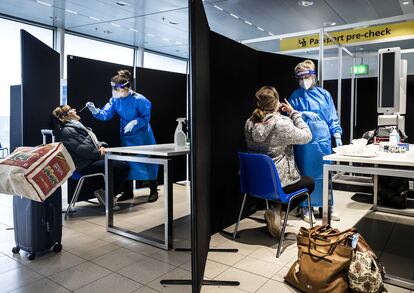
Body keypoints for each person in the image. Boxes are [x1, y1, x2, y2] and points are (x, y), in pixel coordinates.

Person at [245, 86, 314, 238]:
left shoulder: (249, 123)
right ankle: (278, 213)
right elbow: (307, 136)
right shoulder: (281, 123)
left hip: (255, 183)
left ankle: (275, 212)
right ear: (276, 102)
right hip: (277, 184)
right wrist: (293, 113)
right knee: (309, 183)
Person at [85, 69, 158, 203]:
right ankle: (128, 192)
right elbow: (106, 114)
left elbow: (145, 117)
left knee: (147, 162)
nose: (115, 93)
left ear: (125, 88)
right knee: (129, 162)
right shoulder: (115, 100)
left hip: (142, 136)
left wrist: (136, 121)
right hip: (127, 135)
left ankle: (153, 190)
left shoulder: (140, 99)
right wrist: (95, 111)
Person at [288, 59, 342, 222]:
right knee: (307, 174)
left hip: (323, 140)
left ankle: (327, 205)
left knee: (325, 174)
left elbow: (332, 116)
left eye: (307, 77)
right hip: (304, 143)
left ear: (314, 76)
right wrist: (303, 114)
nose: (304, 81)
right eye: (301, 78)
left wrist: (337, 134)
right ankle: (306, 207)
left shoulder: (324, 95)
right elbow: (290, 117)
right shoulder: (295, 96)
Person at [52, 105, 131, 206]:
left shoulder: (76, 127)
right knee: (123, 167)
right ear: (65, 116)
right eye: (70, 109)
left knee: (120, 165)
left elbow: (92, 143)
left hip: (90, 160)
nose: (75, 109)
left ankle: (107, 195)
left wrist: (102, 145)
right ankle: (107, 197)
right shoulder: (68, 130)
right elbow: (84, 151)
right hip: (85, 165)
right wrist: (99, 152)